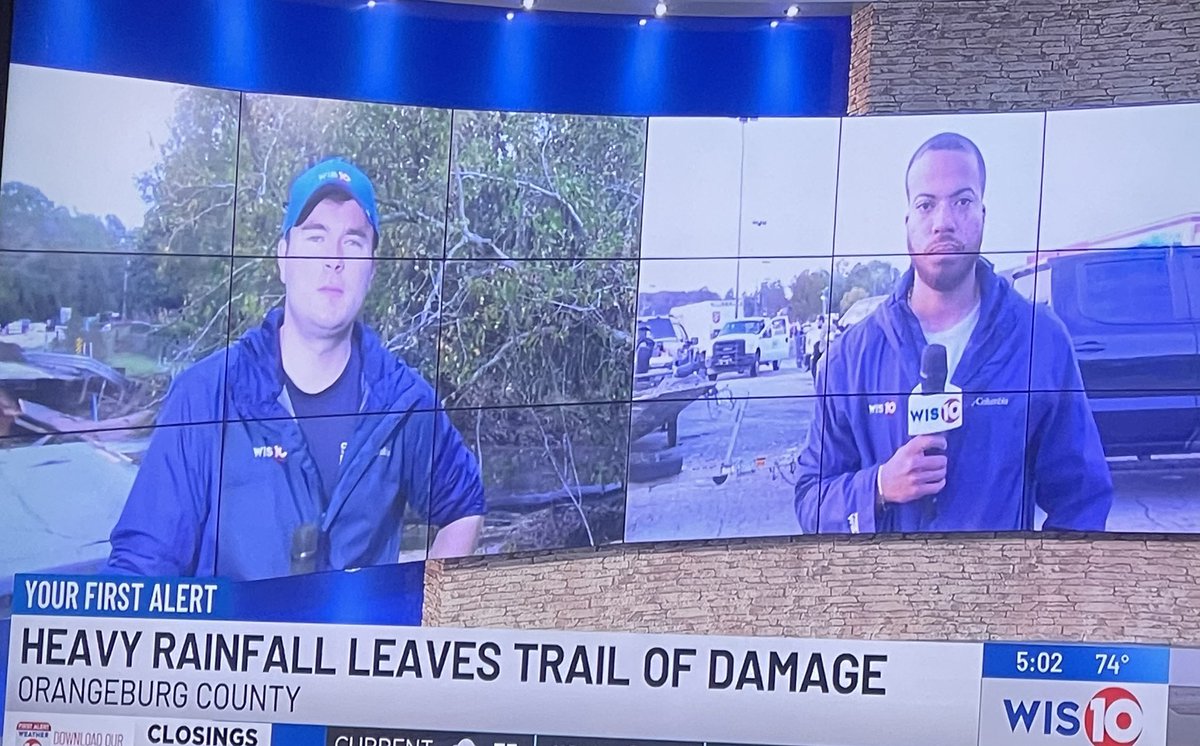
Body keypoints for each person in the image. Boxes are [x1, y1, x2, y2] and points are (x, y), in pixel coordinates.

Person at [107, 158, 486, 579]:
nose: (334, 260)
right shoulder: (205, 395)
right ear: (283, 258)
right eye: (316, 237)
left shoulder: (406, 404)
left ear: (372, 270)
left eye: (354, 243)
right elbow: (141, 569)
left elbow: (463, 505)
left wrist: (420, 617)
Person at [795, 132, 1112, 534]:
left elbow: (1081, 498)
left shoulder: (1040, 341)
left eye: (962, 202)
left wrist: (1040, 587)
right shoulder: (850, 358)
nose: (943, 222)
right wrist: (878, 486)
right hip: (885, 594)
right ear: (908, 221)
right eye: (926, 205)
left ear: (983, 213)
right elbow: (810, 498)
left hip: (1000, 595)